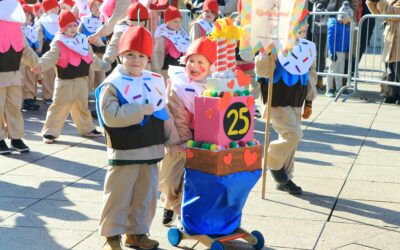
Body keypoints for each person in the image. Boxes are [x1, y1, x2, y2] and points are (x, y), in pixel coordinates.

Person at [96, 25, 179, 250]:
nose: (136, 60)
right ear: (121, 55)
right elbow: (110, 117)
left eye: (141, 56)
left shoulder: (153, 80)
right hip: (125, 150)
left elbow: (164, 114)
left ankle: (137, 233)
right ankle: (112, 235)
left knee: (146, 195)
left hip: (151, 150)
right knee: (118, 195)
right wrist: (140, 109)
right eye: (130, 55)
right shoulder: (113, 84)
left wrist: (172, 139)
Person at [255, 9, 317, 195]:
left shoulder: (307, 46)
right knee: (293, 135)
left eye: (306, 22)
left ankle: (285, 178)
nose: (306, 26)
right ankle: (273, 163)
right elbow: (263, 72)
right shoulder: (275, 46)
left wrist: (309, 101)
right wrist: (265, 55)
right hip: (278, 99)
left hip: (296, 98)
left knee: (291, 143)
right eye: (302, 23)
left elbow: (311, 76)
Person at [159, 36, 217, 226]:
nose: (194, 65)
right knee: (168, 180)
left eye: (201, 62)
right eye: (191, 60)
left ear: (210, 67)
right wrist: (180, 142)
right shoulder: (177, 84)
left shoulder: (214, 87)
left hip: (202, 142)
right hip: (176, 139)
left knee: (192, 183)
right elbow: (176, 117)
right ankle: (170, 204)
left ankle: (183, 214)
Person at [31, 10, 107, 144]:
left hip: (82, 80)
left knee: (82, 106)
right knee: (59, 106)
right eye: (68, 26)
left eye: (74, 25)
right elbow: (50, 57)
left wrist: (103, 65)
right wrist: (40, 65)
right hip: (65, 82)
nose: (72, 29)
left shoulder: (83, 40)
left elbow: (91, 58)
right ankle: (50, 132)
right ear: (62, 28)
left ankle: (87, 128)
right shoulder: (58, 42)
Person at [0, 1, 39, 155]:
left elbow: (25, 49)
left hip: (14, 76)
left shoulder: (15, 28)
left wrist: (35, 63)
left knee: (14, 108)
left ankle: (16, 137)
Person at [367, 0, 400, 104]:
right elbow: (380, 13)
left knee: (398, 68)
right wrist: (372, 2)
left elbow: (394, 12)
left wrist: (380, 2)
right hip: (390, 35)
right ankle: (391, 94)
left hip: (398, 36)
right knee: (390, 69)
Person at [151, 6, 190, 81]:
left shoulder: (182, 33)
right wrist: (156, 74)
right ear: (167, 22)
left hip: (182, 72)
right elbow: (158, 55)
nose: (178, 24)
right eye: (175, 21)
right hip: (167, 73)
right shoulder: (163, 36)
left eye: (180, 21)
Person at [326, 1, 353, 97]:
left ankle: (339, 88)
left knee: (340, 72)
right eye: (349, 18)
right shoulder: (334, 25)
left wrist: (347, 49)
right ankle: (329, 88)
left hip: (342, 51)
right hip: (335, 51)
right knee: (332, 70)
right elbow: (330, 39)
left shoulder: (345, 26)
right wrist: (332, 52)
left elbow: (347, 39)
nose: (350, 21)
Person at [79, 0, 106, 91]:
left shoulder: (105, 20)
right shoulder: (85, 20)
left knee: (100, 75)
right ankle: (85, 96)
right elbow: (78, 33)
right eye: (94, 5)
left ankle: (99, 95)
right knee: (90, 75)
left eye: (99, 4)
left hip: (101, 51)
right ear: (90, 8)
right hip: (88, 51)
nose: (96, 7)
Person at [36, 0, 59, 105]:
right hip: (48, 52)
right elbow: (39, 38)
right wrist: (38, 52)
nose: (57, 9)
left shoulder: (60, 19)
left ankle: (53, 96)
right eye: (54, 7)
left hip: (56, 52)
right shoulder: (41, 21)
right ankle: (49, 96)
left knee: (54, 76)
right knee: (49, 75)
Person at [21, 4, 41, 111]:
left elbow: (36, 43)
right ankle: (20, 100)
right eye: (25, 13)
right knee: (20, 77)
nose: (28, 16)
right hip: (19, 58)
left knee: (30, 77)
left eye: (29, 14)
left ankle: (28, 98)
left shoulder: (32, 29)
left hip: (30, 55)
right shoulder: (17, 28)